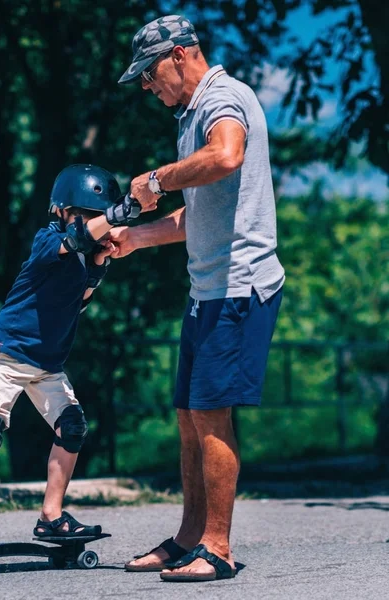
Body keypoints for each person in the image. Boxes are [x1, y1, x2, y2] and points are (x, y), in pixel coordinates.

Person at [111, 15, 285, 582]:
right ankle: (190, 538)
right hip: (206, 289)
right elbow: (198, 215)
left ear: (182, 54)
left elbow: (228, 154)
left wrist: (157, 180)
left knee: (211, 413)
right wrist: (137, 238)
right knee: (189, 415)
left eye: (149, 72)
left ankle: (218, 547)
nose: (146, 86)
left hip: (239, 285)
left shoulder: (222, 98)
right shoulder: (189, 118)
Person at [0, 164, 141, 545]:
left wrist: (101, 262)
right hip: (6, 355)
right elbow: (73, 239)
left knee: (71, 428)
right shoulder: (47, 240)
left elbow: (79, 301)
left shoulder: (84, 260)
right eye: (86, 215)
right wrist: (117, 216)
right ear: (62, 212)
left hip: (47, 366)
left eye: (97, 215)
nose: (93, 224)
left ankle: (50, 517)